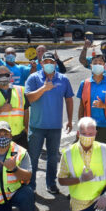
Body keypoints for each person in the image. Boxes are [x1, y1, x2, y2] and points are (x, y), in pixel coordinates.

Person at [25, 51, 74, 193]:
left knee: (53, 157)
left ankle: (51, 183)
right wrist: (44, 88)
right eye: (45, 62)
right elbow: (29, 98)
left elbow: (69, 99)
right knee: (33, 157)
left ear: (55, 63)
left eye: (51, 62)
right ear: (41, 63)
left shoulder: (63, 79)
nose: (48, 64)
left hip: (55, 126)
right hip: (36, 126)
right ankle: (31, 184)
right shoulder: (33, 78)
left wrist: (70, 120)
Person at [77, 54, 106, 150]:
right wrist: (80, 126)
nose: (97, 65)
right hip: (88, 126)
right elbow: (81, 106)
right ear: (90, 65)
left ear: (104, 66)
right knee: (87, 156)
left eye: (100, 63)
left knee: (105, 157)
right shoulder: (84, 84)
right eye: (95, 63)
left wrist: (103, 106)